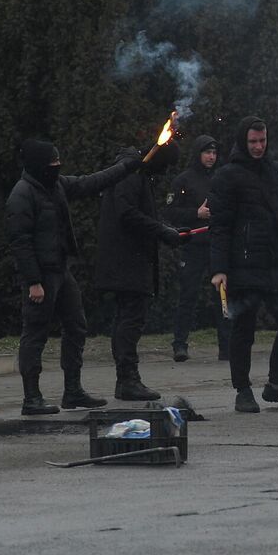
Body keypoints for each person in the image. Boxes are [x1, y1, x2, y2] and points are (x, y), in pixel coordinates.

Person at [6, 141, 142, 415]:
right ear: (38, 166)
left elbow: (92, 182)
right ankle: (31, 398)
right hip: (40, 276)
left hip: (60, 270)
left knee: (77, 326)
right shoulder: (22, 194)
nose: (57, 168)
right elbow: (20, 242)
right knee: (35, 334)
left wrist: (124, 168)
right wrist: (33, 281)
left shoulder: (56, 185)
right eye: (52, 164)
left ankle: (73, 391)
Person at [207, 116, 278, 414]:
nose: (258, 146)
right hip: (243, 265)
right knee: (243, 329)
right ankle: (242, 390)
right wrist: (219, 269)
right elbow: (220, 226)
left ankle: (277, 384)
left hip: (276, 262)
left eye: (262, 141)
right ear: (243, 141)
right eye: (253, 141)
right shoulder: (227, 176)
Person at [92, 140, 191, 402]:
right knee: (130, 320)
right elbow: (128, 215)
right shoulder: (131, 174)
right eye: (166, 167)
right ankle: (127, 380)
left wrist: (168, 230)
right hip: (126, 261)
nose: (165, 174)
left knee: (129, 319)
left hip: (129, 260)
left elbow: (139, 215)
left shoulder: (136, 174)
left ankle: (127, 379)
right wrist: (163, 231)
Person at [163, 134, 222, 361]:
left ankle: (226, 347)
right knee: (188, 295)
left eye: (214, 152)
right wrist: (195, 214)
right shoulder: (183, 181)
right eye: (207, 152)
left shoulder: (220, 178)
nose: (211, 157)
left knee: (222, 296)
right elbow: (170, 212)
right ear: (198, 154)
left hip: (216, 246)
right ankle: (180, 345)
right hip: (193, 246)